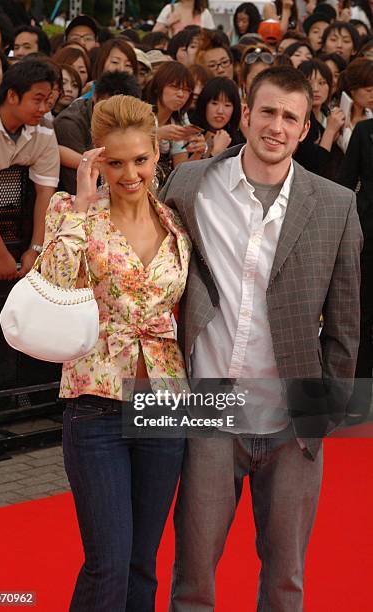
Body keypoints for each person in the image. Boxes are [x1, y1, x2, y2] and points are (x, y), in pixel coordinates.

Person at [160, 65, 362, 611]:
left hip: (290, 418)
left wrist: (325, 408)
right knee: (193, 578)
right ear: (247, 114)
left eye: (290, 117)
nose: (277, 126)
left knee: (285, 581)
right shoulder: (189, 184)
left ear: (304, 129)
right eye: (268, 111)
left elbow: (344, 321)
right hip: (207, 410)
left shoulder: (336, 205)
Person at [41, 94, 191, 611]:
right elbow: (52, 287)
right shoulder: (74, 211)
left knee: (142, 563)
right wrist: (80, 211)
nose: (130, 174)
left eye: (141, 159)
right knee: (108, 561)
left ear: (156, 153)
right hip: (96, 404)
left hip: (166, 406)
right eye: (116, 161)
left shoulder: (175, 222)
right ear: (97, 160)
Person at [0, 59, 60, 280]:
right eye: (37, 100)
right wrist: (0, 255)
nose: (44, 109)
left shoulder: (44, 129)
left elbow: (46, 192)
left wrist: (36, 248)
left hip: (17, 229)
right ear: (12, 96)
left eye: (48, 101)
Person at [55, 70, 141, 194]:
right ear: (94, 96)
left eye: (121, 110)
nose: (114, 115)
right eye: (108, 106)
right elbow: (77, 188)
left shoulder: (131, 121)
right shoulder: (70, 124)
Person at [339, 117, 373, 423]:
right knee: (361, 316)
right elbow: (346, 181)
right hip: (368, 235)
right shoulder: (365, 130)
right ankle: (358, 400)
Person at [190, 76, 243, 155]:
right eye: (214, 103)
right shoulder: (190, 132)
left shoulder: (237, 140)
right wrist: (216, 152)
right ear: (204, 104)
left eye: (227, 105)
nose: (220, 111)